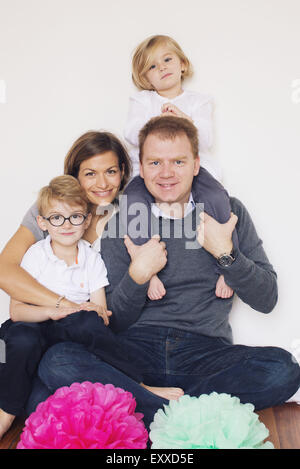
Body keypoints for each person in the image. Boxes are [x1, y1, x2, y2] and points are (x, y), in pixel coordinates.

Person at [37, 116, 300, 431]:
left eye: (178, 161)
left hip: (205, 352)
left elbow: (267, 299)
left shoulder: (228, 213)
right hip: (134, 353)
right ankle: (182, 411)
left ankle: (152, 410)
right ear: (142, 167)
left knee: (283, 368)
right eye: (155, 162)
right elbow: (114, 320)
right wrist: (138, 275)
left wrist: (225, 254)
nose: (166, 173)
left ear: (196, 165)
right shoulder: (122, 222)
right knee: (58, 360)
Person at [0, 130, 183, 437]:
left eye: (110, 172)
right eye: (90, 174)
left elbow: (106, 315)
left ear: (123, 172)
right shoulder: (52, 210)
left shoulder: (131, 214)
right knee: (36, 400)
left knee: (61, 387)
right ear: (75, 176)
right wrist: (61, 306)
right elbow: (6, 272)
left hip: (86, 338)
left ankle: (148, 400)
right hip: (42, 326)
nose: (101, 184)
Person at [123, 34, 236, 300]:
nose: (161, 67)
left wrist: (185, 121)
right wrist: (158, 121)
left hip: (194, 174)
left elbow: (206, 139)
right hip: (148, 175)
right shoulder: (142, 102)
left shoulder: (198, 102)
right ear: (145, 78)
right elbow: (130, 133)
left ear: (182, 64)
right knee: (132, 201)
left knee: (218, 199)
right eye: (152, 66)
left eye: (167, 59)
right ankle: (146, 268)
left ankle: (226, 264)